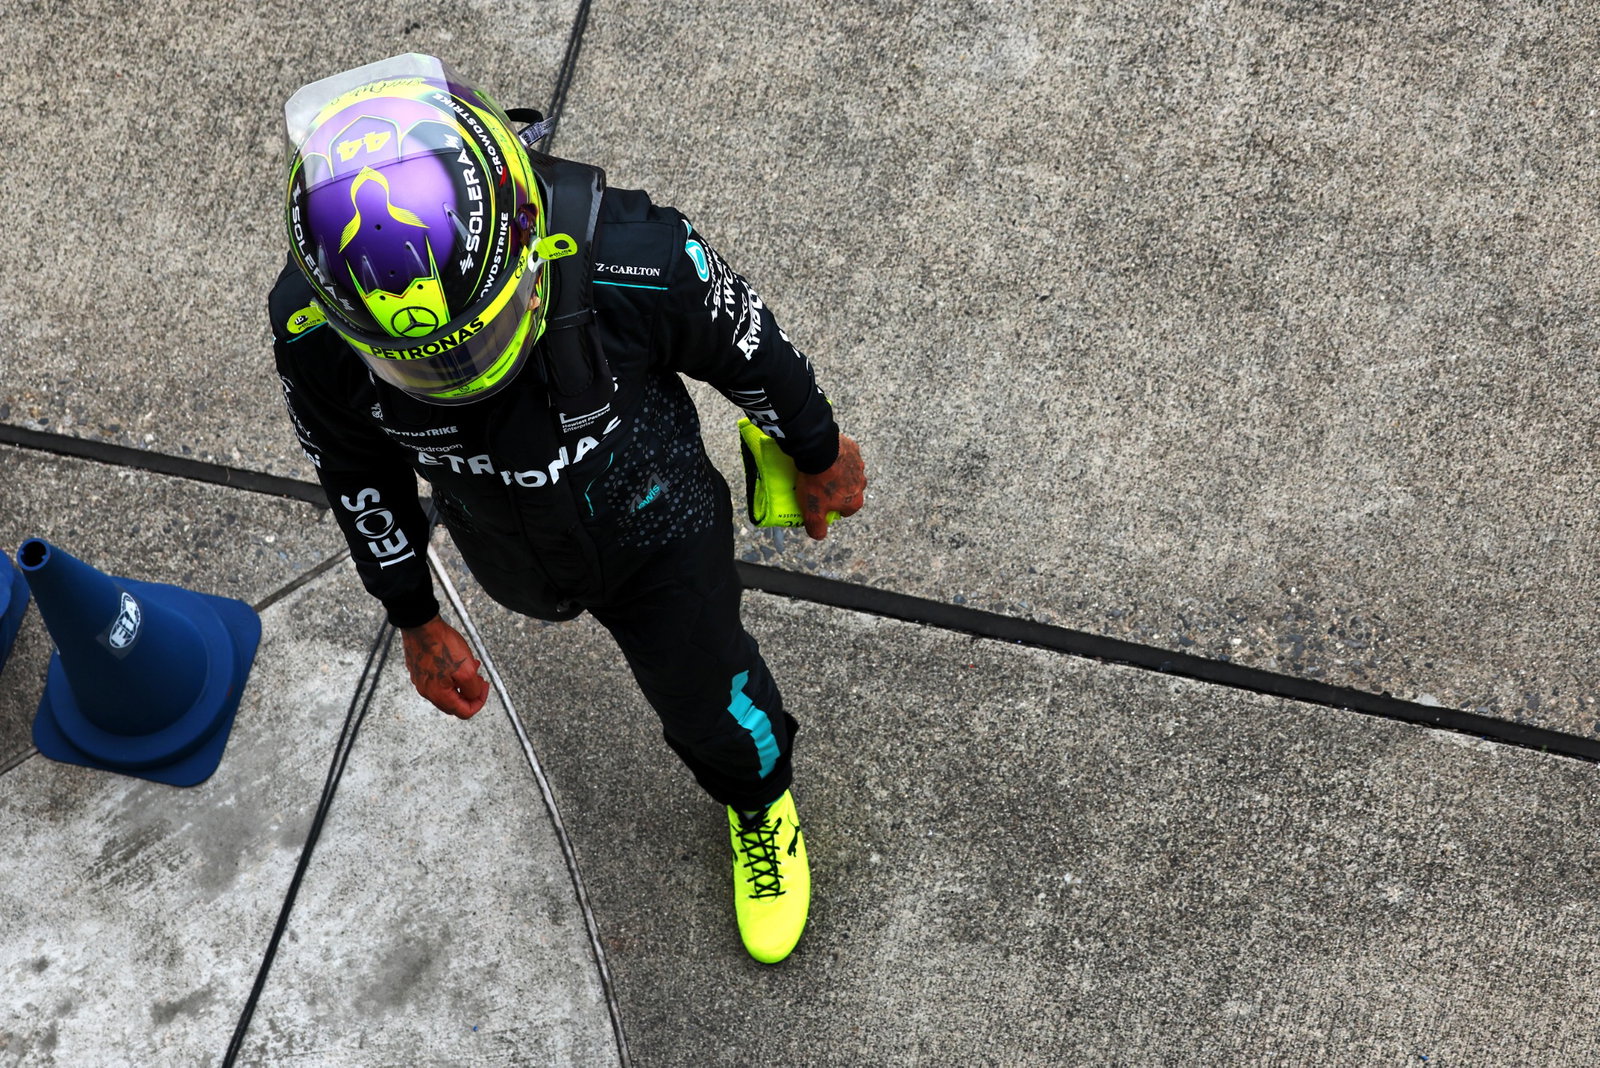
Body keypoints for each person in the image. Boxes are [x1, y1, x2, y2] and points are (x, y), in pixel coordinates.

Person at [268, 54, 864, 965]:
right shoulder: (315, 332)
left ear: (525, 237)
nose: (457, 381)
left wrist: (817, 450)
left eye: (473, 341)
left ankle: (757, 799)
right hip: (507, 547)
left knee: (710, 695)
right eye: (423, 365)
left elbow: (753, 348)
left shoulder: (634, 251)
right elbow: (354, 473)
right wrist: (413, 612)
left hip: (658, 527)